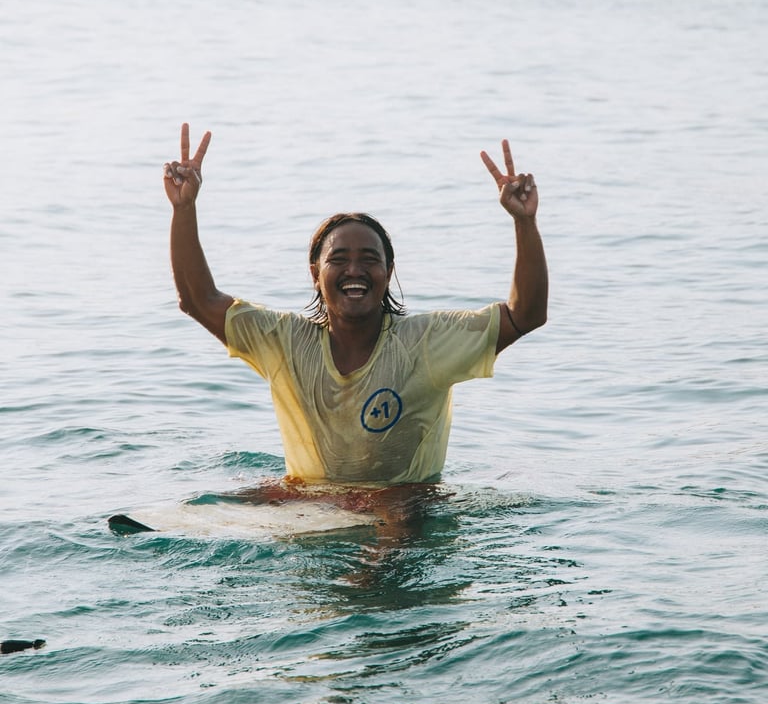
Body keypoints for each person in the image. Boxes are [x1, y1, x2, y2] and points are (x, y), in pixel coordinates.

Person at [163, 124, 547, 494]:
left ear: (388, 271)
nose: (354, 271)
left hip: (401, 507)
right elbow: (198, 300)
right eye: (339, 259)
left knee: (390, 521)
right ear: (316, 273)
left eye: (369, 259)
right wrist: (184, 208)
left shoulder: (426, 343)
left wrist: (523, 221)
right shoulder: (283, 341)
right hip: (314, 501)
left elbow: (524, 315)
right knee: (236, 499)